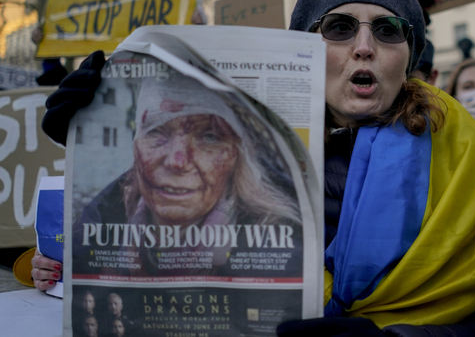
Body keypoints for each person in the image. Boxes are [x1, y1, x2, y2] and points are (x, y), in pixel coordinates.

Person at [36, 0, 475, 336]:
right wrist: (84, 136)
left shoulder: (470, 153)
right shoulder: (248, 145)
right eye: (339, 27)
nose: (363, 47)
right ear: (305, 49)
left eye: (388, 30)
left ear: (409, 55)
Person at [72, 74, 302, 277]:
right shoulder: (100, 217)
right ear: (136, 145)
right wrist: (50, 270)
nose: (177, 161)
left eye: (210, 137)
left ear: (237, 155)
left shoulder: (286, 236)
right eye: (156, 131)